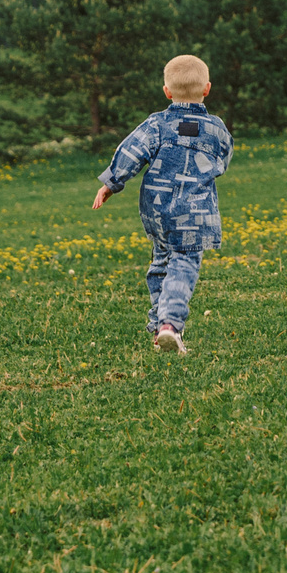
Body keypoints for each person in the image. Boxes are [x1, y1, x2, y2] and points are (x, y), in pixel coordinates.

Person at [91, 54, 231, 354]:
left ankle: (158, 330)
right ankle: (170, 324)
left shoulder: (156, 124)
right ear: (207, 89)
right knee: (183, 264)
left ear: (167, 92)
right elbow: (223, 159)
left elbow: (131, 151)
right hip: (194, 212)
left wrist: (111, 184)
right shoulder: (216, 128)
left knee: (161, 263)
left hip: (157, 209)